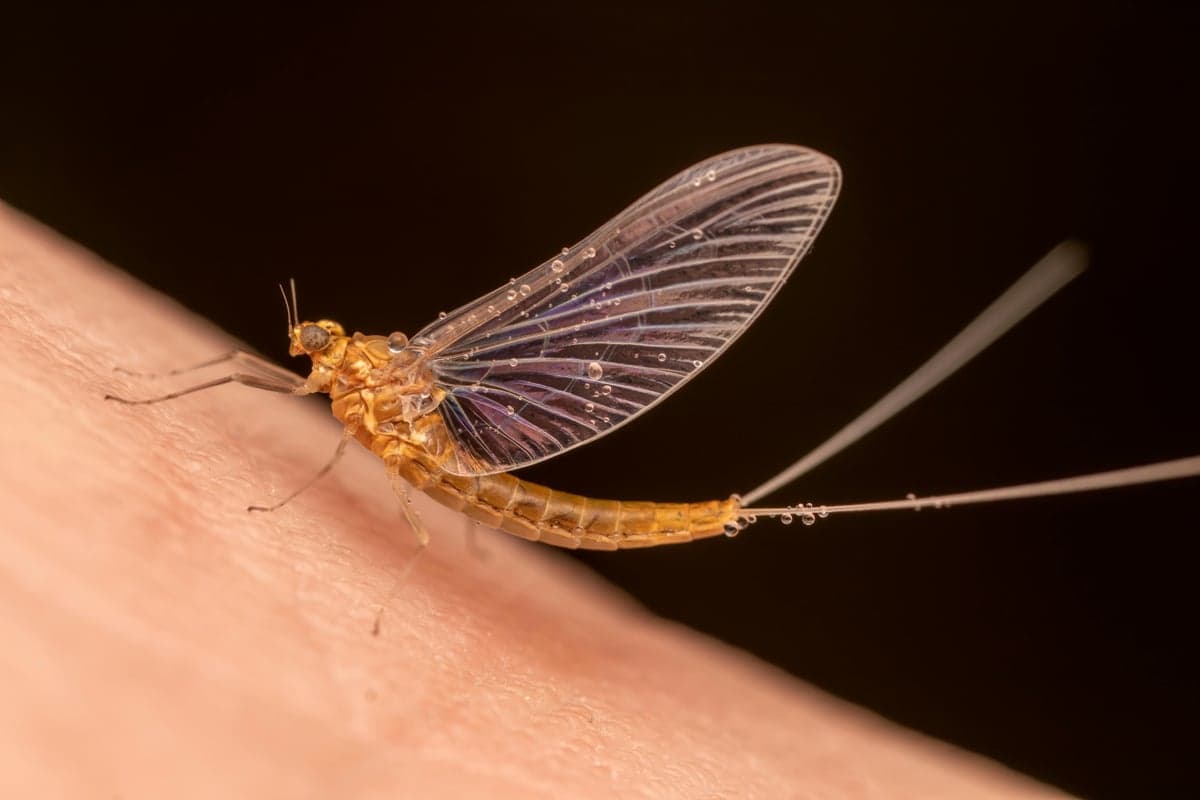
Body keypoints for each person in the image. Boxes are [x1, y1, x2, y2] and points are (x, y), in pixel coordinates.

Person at [0, 202, 1064, 797]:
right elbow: (361, 455)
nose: (307, 350)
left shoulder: (392, 385)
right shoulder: (366, 392)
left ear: (335, 350)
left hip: (487, 487)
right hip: (458, 480)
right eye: (312, 345)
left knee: (269, 394)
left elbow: (377, 468)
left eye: (317, 343)